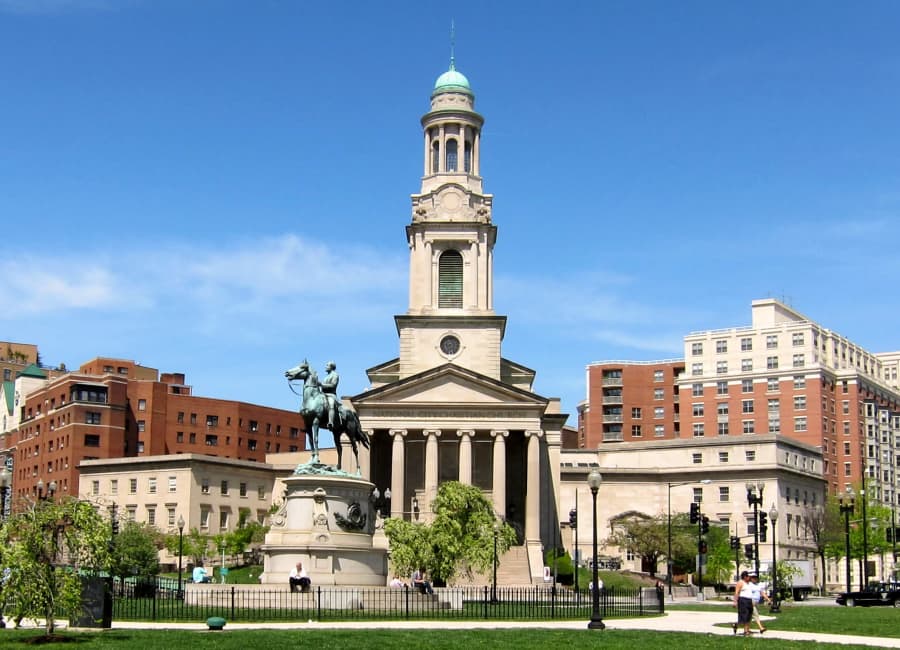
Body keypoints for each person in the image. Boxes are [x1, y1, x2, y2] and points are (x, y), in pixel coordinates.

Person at [733, 571, 754, 636]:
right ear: (745, 577)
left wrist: (752, 601)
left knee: (749, 615)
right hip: (743, 600)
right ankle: (745, 631)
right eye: (748, 576)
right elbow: (736, 592)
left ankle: (743, 627)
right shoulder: (740, 583)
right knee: (745, 615)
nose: (750, 578)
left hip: (749, 600)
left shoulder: (749, 583)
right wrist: (735, 601)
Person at [321, 361, 340, 428]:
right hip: (323, 394)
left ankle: (330, 422)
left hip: (331, 395)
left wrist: (321, 385)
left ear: (331, 367)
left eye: (327, 365)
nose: (326, 367)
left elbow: (333, 385)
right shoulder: (326, 376)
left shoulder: (335, 375)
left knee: (331, 404)